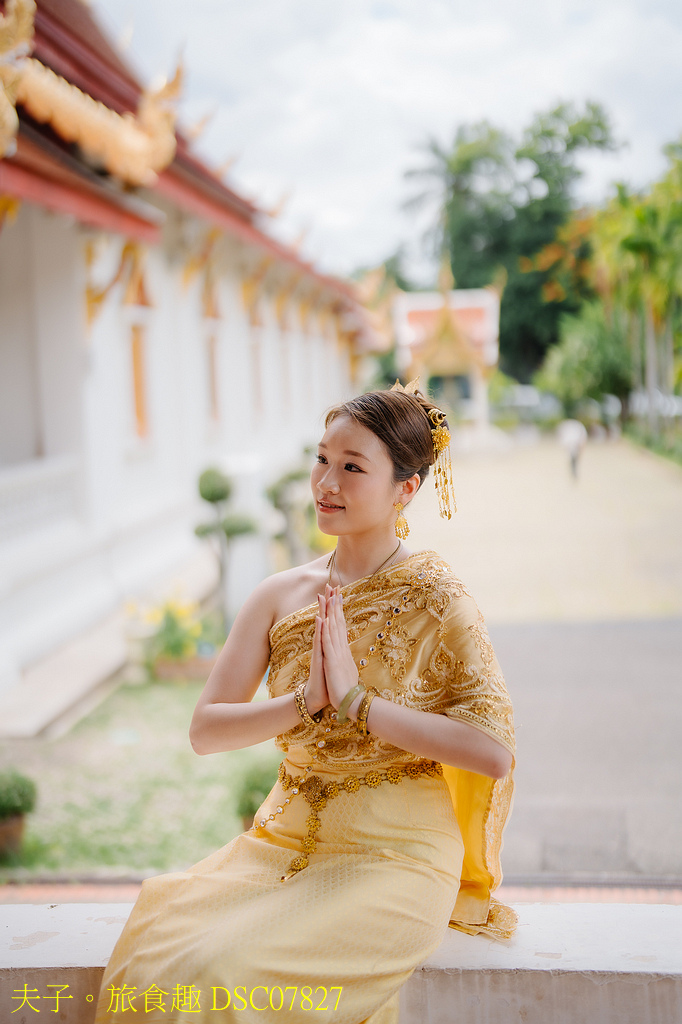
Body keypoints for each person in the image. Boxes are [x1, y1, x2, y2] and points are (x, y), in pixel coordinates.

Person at [95, 382, 515, 1024]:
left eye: (353, 467)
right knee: (155, 953)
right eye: (322, 459)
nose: (327, 482)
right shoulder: (279, 594)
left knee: (220, 975)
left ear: (405, 489)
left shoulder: (438, 598)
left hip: (396, 855)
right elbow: (206, 731)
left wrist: (356, 702)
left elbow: (492, 752)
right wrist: (306, 701)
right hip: (281, 841)